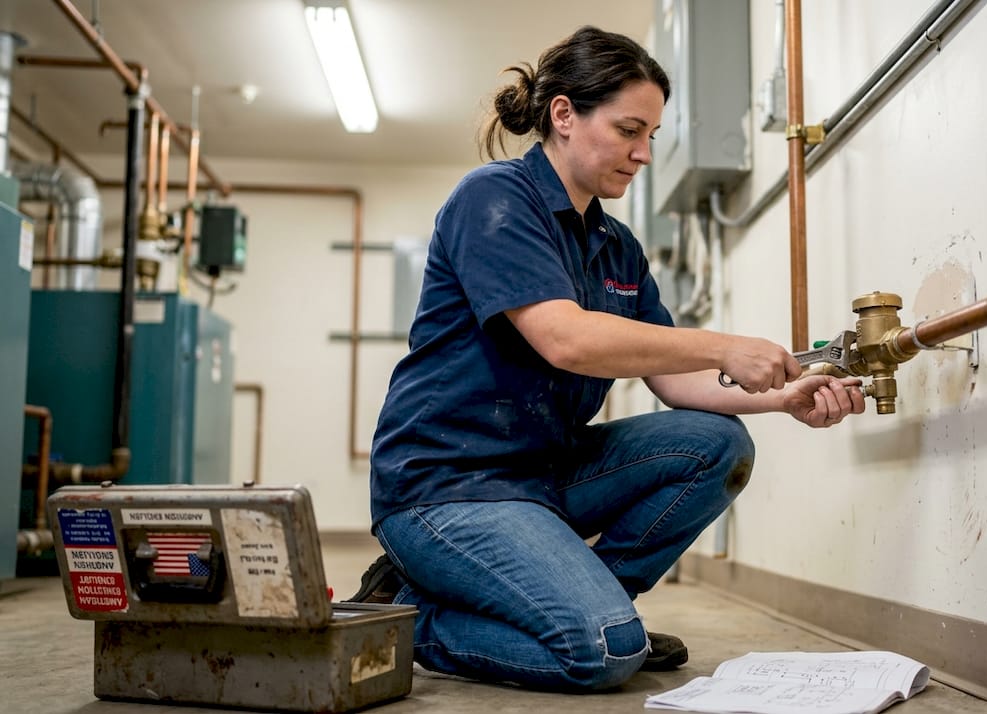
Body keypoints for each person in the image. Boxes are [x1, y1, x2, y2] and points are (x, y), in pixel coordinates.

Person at [351, 25, 865, 692]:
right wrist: (724, 344)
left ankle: (598, 608)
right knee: (603, 655)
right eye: (628, 130)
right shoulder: (495, 199)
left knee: (716, 444)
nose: (644, 153)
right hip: (447, 486)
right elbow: (567, 339)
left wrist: (783, 398)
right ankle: (410, 614)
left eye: (651, 134)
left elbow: (675, 380)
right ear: (564, 114)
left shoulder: (616, 245)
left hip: (543, 473)